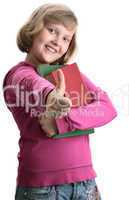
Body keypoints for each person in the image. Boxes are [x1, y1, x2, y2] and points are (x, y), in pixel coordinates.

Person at [3, 3, 117, 200]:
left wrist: (63, 121)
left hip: (86, 183)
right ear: (34, 29)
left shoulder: (68, 74)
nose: (58, 41)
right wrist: (52, 96)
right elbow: (34, 84)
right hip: (43, 188)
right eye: (52, 30)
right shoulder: (18, 75)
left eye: (66, 38)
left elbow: (107, 107)